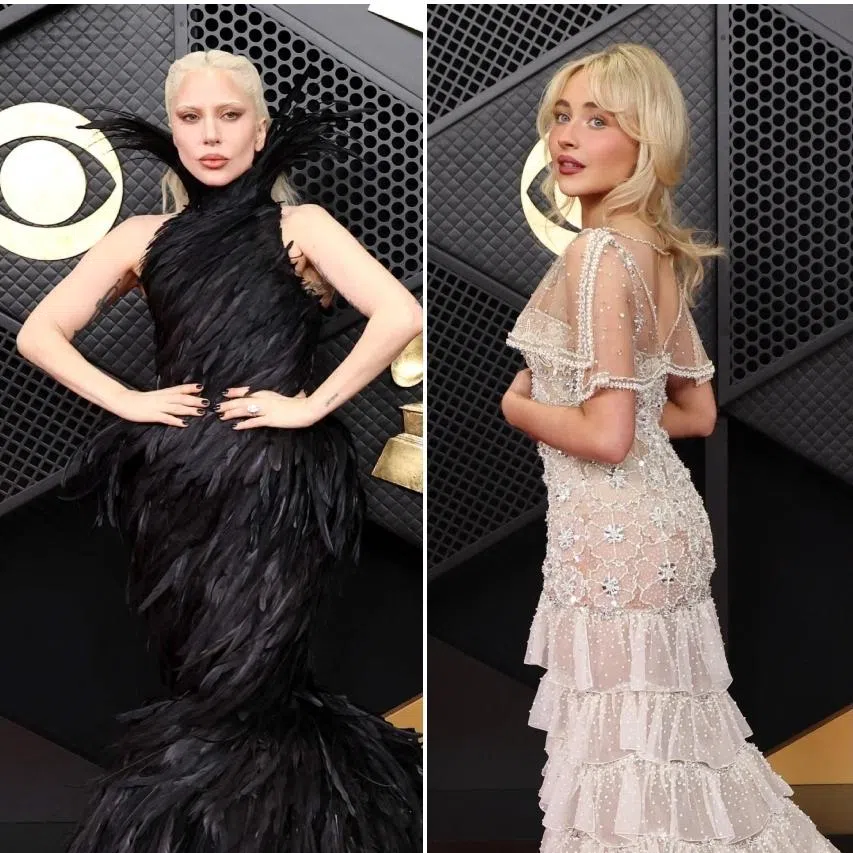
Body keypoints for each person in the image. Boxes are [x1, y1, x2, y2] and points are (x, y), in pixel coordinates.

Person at [16, 49, 422, 852]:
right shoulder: (142, 235)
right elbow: (39, 333)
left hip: (274, 484)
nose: (210, 135)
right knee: (202, 674)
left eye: (229, 116)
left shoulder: (298, 226)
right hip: (179, 486)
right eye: (191, 118)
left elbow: (399, 313)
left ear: (260, 127)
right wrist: (131, 400)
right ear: (171, 131)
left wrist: (309, 405)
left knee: (253, 679)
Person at [501, 43, 839, 852]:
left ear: (643, 140)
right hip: (663, 530)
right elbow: (695, 412)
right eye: (560, 116)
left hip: (617, 542)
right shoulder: (651, 248)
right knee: (675, 756)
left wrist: (517, 406)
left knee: (632, 769)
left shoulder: (595, 254)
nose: (567, 136)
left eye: (597, 119)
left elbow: (609, 436)